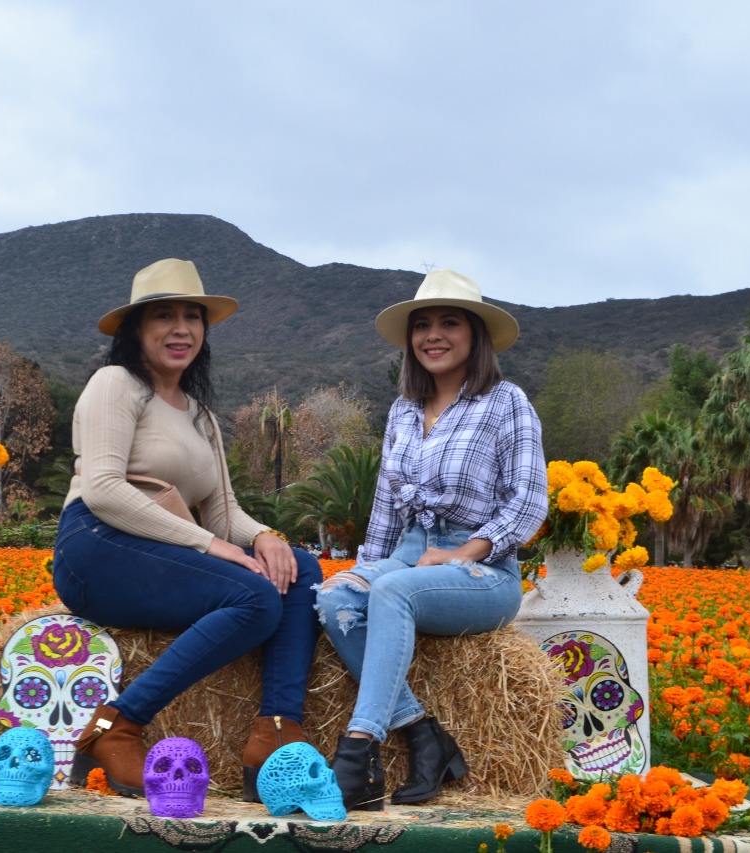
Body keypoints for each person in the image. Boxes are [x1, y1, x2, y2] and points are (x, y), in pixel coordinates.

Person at [53, 258, 322, 800]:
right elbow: (104, 489)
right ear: (136, 329)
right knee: (254, 598)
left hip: (158, 553)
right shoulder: (116, 384)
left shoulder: (201, 416)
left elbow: (224, 513)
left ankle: (274, 734)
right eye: (163, 316)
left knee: (301, 568)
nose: (181, 329)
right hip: (96, 546)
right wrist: (210, 543)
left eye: (192, 317)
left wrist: (265, 535)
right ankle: (118, 725)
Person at [315, 269, 548, 811]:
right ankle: (425, 736)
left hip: (484, 569)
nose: (432, 335)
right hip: (407, 551)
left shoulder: (506, 402)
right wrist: (365, 569)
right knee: (335, 597)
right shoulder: (402, 410)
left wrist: (465, 550)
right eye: (422, 325)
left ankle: (357, 753)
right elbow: (385, 507)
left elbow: (528, 500)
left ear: (475, 335)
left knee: (393, 592)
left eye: (449, 322)